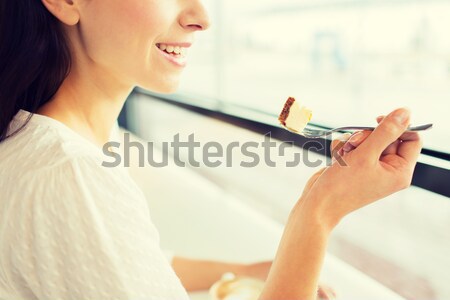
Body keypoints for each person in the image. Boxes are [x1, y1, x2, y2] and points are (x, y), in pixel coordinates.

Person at [0, 0, 422, 299]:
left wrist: (248, 272)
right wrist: (320, 209)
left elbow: (121, 259)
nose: (201, 18)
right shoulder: (70, 175)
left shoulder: (39, 141)